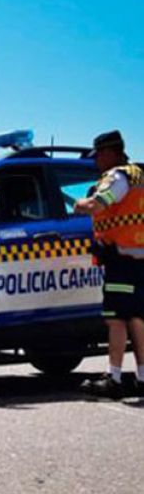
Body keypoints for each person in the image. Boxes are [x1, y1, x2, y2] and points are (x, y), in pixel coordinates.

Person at [75, 130, 144, 399]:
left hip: (121, 259)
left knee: (116, 319)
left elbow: (97, 204)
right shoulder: (139, 175)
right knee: (138, 318)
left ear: (109, 153)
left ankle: (114, 378)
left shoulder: (117, 177)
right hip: (138, 258)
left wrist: (80, 203)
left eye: (98, 156)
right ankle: (141, 377)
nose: (96, 163)